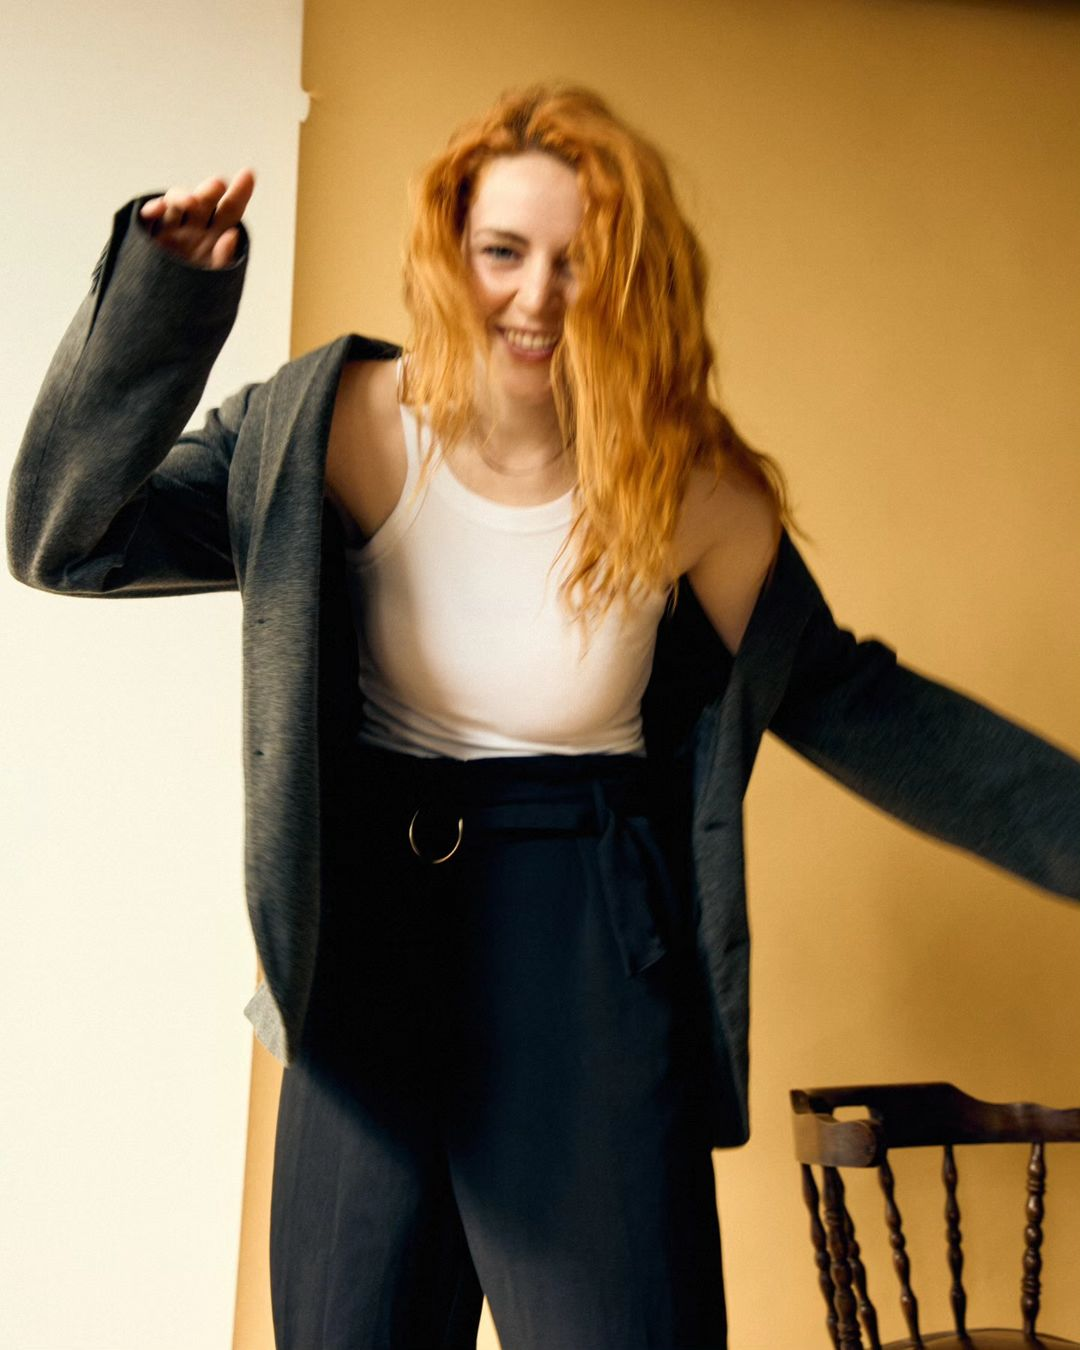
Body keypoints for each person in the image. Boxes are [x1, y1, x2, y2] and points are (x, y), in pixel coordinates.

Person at [8, 84, 1080, 1350]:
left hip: (586, 943)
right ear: (448, 252)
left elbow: (863, 706)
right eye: (503, 251)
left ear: (634, 280)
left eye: (581, 260)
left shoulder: (693, 491)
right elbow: (66, 539)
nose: (536, 295)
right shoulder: (326, 432)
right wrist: (162, 302)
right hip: (367, 947)